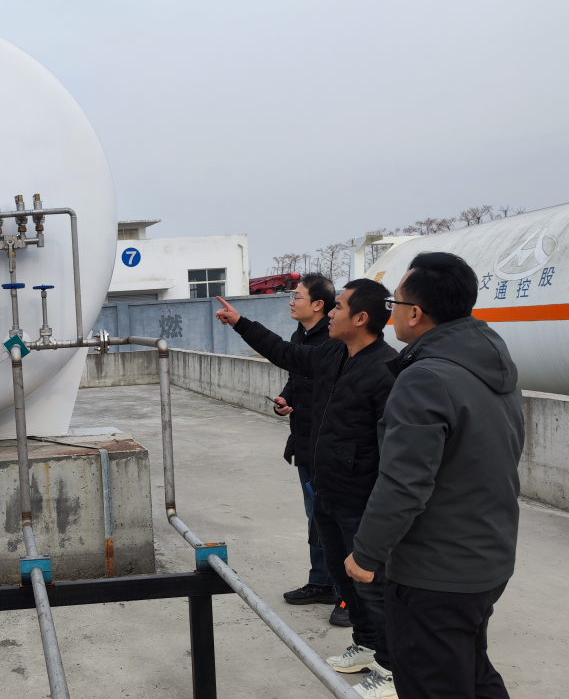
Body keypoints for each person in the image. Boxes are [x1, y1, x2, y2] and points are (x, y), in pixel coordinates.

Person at [346, 252, 524, 699]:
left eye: (395, 302)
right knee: (472, 672)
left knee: (432, 682)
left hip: (435, 572)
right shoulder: (490, 363)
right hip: (487, 558)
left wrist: (365, 554)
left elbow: (404, 484)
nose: (391, 312)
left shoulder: (425, 377)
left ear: (416, 313)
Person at [216, 279, 399, 698]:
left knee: (373, 585)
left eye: (339, 307)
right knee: (342, 575)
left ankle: (391, 669)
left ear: (361, 318)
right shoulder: (333, 352)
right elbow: (284, 353)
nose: (331, 313)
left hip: (361, 497)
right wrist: (241, 323)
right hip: (328, 488)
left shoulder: (386, 369)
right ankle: (366, 644)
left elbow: (395, 450)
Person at [270, 274, 350, 628]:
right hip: (305, 441)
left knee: (336, 518)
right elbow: (295, 377)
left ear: (318, 304)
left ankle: (348, 594)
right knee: (316, 516)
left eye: (297, 296)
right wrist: (286, 400)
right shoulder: (299, 337)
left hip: (328, 445)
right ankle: (322, 582)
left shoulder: (331, 342)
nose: (292, 301)